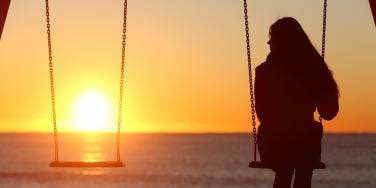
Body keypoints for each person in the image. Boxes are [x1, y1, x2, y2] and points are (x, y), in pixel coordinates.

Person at [255, 17, 339, 188]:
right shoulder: (314, 69)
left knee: (284, 170)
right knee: (303, 167)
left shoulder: (264, 71)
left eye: (271, 39)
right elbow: (329, 113)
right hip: (304, 145)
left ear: (280, 42)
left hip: (274, 144)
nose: (268, 43)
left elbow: (262, 113)